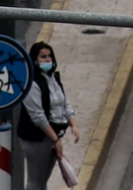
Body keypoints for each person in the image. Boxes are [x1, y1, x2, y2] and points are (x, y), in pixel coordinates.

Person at [16, 41, 80, 190]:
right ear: (34, 60)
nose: (47, 60)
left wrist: (73, 124)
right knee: (35, 181)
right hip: (36, 138)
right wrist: (55, 139)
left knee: (43, 179)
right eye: (43, 57)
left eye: (49, 56)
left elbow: (64, 103)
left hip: (51, 135)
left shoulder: (53, 78)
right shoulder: (31, 83)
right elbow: (38, 116)